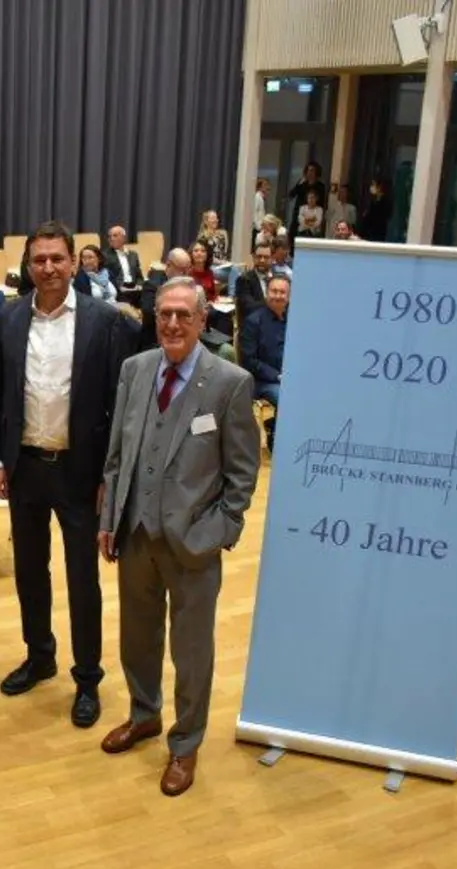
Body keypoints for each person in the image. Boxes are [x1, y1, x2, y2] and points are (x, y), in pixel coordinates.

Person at [97, 277, 259, 798]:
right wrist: (109, 519)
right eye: (164, 313)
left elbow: (242, 474)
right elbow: (118, 454)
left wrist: (220, 531)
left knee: (192, 653)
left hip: (193, 544)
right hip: (136, 535)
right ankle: (144, 714)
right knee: (137, 640)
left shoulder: (229, 383)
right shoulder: (135, 370)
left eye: (183, 315)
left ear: (202, 319)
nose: (171, 324)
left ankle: (185, 743)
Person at [0, 221, 129, 728]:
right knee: (29, 571)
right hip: (24, 467)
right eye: (38, 259)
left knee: (82, 580)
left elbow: (118, 404)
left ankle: (87, 677)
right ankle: (39, 655)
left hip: (80, 472)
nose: (47, 267)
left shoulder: (105, 320)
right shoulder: (9, 316)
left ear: (73, 262)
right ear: (28, 266)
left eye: (56, 258)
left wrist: (111, 474)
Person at [240, 275, 290, 452]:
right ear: (267, 293)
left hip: (289, 376)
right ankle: (279, 443)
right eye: (274, 291)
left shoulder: (295, 319)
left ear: (289, 296)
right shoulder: (253, 321)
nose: (278, 295)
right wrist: (278, 376)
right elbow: (249, 361)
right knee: (287, 398)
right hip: (262, 381)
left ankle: (275, 426)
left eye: (282, 292)